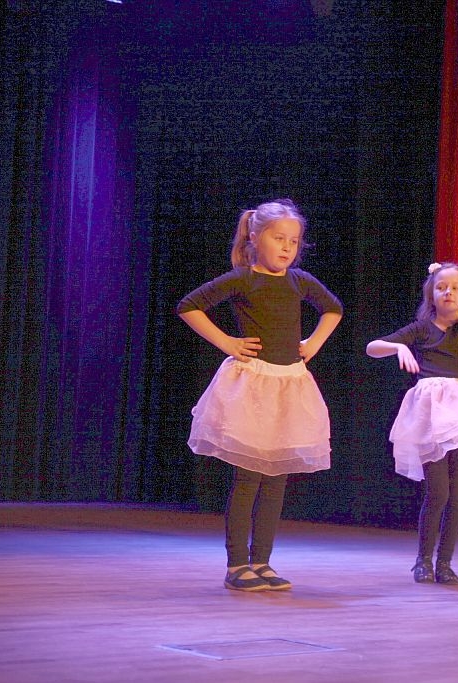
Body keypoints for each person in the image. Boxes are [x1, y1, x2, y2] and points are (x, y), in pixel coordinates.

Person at [177, 199, 343, 592]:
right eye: (279, 238)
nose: (287, 247)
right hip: (252, 386)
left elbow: (333, 308)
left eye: (294, 241)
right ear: (255, 237)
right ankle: (237, 565)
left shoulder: (299, 280)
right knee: (248, 477)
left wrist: (313, 343)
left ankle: (262, 561)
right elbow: (189, 305)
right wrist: (227, 342)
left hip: (288, 385)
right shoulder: (243, 279)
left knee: (276, 479)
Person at [366, 251, 458, 585]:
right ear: (432, 295)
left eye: (456, 288)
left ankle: (445, 563)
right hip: (431, 415)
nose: (448, 292)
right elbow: (372, 347)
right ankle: (423, 560)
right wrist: (398, 347)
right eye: (441, 287)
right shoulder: (421, 329)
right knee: (438, 492)